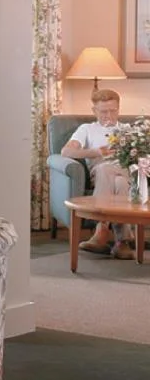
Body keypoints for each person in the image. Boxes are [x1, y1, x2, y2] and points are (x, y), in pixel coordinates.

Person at [62, 88, 135, 259]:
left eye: (113, 110)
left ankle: (101, 231)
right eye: (103, 112)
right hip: (101, 171)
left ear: (119, 109)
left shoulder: (128, 129)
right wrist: (97, 152)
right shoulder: (86, 129)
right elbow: (66, 152)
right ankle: (122, 242)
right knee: (118, 182)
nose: (109, 116)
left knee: (119, 176)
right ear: (94, 111)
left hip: (124, 168)